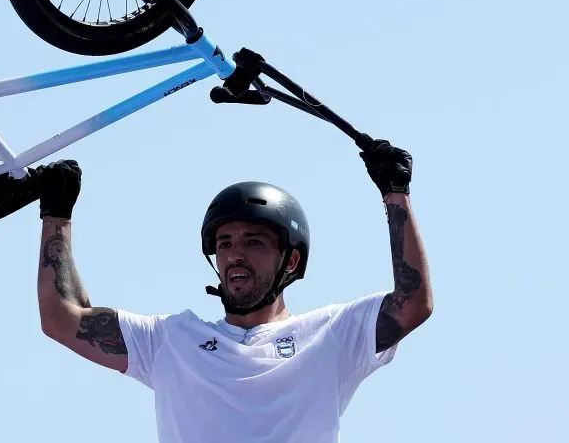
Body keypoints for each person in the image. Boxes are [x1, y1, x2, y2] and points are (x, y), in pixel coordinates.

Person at [25, 137, 432, 442]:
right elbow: (63, 319)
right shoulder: (170, 339)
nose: (235, 255)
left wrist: (395, 193)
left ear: (290, 262)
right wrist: (56, 213)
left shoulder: (333, 334)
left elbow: (412, 303)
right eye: (224, 244)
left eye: (253, 242)